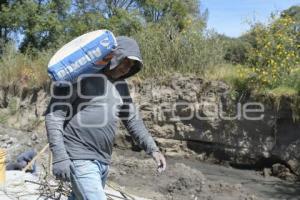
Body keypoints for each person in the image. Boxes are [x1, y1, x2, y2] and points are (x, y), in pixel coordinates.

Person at [45, 36, 166, 200]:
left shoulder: (121, 86)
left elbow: (133, 120)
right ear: (115, 56)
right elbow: (54, 115)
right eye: (125, 61)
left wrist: (153, 149)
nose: (126, 68)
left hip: (103, 160)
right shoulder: (81, 76)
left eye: (131, 65)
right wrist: (59, 157)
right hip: (79, 157)